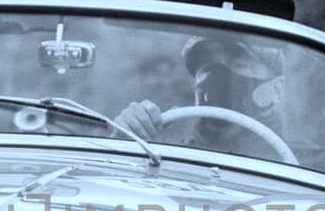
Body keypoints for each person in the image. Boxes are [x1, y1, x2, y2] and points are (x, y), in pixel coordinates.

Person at [115, 34, 286, 154]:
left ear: (276, 89)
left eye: (237, 64)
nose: (219, 75)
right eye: (207, 68)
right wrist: (126, 141)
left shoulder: (303, 161)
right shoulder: (165, 143)